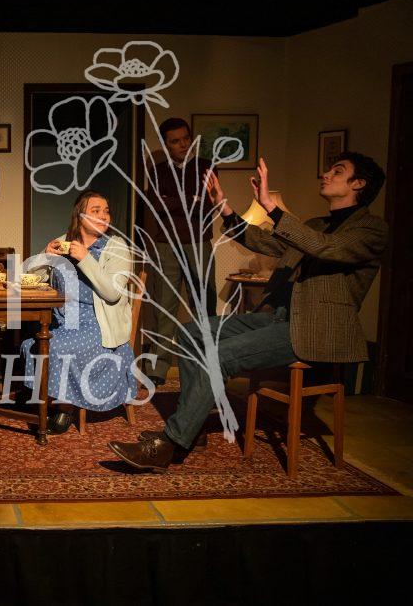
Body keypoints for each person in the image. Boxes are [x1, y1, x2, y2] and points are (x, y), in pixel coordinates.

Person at [109, 153, 387, 472]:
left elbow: (326, 248)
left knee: (217, 355)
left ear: (358, 183)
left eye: (337, 171)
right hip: (278, 317)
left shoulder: (372, 231)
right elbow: (265, 242)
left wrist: (271, 207)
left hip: (315, 329)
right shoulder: (316, 225)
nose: (326, 174)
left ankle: (171, 444)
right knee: (191, 333)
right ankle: (193, 426)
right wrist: (225, 209)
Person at [20, 191, 139, 434]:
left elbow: (112, 293)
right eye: (96, 210)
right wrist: (45, 257)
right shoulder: (63, 242)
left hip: (99, 325)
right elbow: (31, 280)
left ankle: (65, 407)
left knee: (53, 347)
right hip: (62, 321)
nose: (103, 216)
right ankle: (50, 398)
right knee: (28, 344)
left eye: (106, 211)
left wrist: (85, 258)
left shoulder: (116, 247)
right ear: (80, 215)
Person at [140, 117, 217, 386]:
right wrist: (190, 200)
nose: (183, 144)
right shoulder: (157, 171)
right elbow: (156, 205)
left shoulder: (206, 166)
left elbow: (207, 206)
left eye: (186, 138)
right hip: (166, 244)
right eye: (176, 141)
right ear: (166, 145)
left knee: (204, 305)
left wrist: (174, 202)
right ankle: (158, 369)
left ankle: (206, 365)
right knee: (164, 306)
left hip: (199, 242)